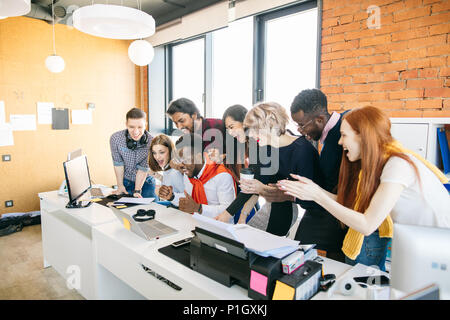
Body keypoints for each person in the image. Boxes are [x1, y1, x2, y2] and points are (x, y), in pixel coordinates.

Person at [278, 106, 450, 271]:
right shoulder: (376, 165)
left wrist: (318, 196)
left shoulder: (397, 165)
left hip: (438, 247)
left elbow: (367, 224)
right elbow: (351, 204)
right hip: (420, 243)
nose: (339, 142)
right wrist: (315, 190)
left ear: (363, 136)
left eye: (344, 135)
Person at [216, 102, 322, 237]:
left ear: (269, 126)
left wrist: (267, 190)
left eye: (254, 130)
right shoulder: (265, 147)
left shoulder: (303, 151)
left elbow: (312, 199)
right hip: (274, 205)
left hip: (304, 214)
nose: (252, 136)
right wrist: (242, 215)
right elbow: (256, 184)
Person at [289, 88, 347, 262]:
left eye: (302, 125)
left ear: (320, 119)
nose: (299, 130)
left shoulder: (342, 132)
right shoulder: (329, 135)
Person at [163, 133, 237, 221]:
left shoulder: (222, 176)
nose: (181, 165)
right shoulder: (189, 171)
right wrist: (172, 196)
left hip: (219, 229)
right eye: (180, 160)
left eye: (185, 160)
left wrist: (199, 208)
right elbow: (189, 198)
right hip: (195, 223)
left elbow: (229, 212)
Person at [222, 104, 259, 223]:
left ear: (244, 121)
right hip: (242, 199)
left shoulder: (258, 145)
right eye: (228, 129)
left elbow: (256, 185)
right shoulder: (238, 146)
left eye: (232, 127)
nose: (230, 132)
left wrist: (243, 215)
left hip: (251, 201)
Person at [109, 108, 157, 198]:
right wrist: (120, 186)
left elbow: (143, 169)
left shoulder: (152, 142)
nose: (136, 132)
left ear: (145, 125)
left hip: (145, 182)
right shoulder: (115, 139)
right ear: (126, 124)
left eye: (140, 127)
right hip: (125, 181)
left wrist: (137, 190)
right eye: (131, 127)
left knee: (151, 208)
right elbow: (118, 164)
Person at [148, 134, 184, 206]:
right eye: (154, 153)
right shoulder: (167, 168)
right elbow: (171, 183)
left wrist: (167, 195)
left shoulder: (175, 172)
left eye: (162, 152)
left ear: (170, 150)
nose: (157, 157)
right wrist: (157, 176)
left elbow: (186, 199)